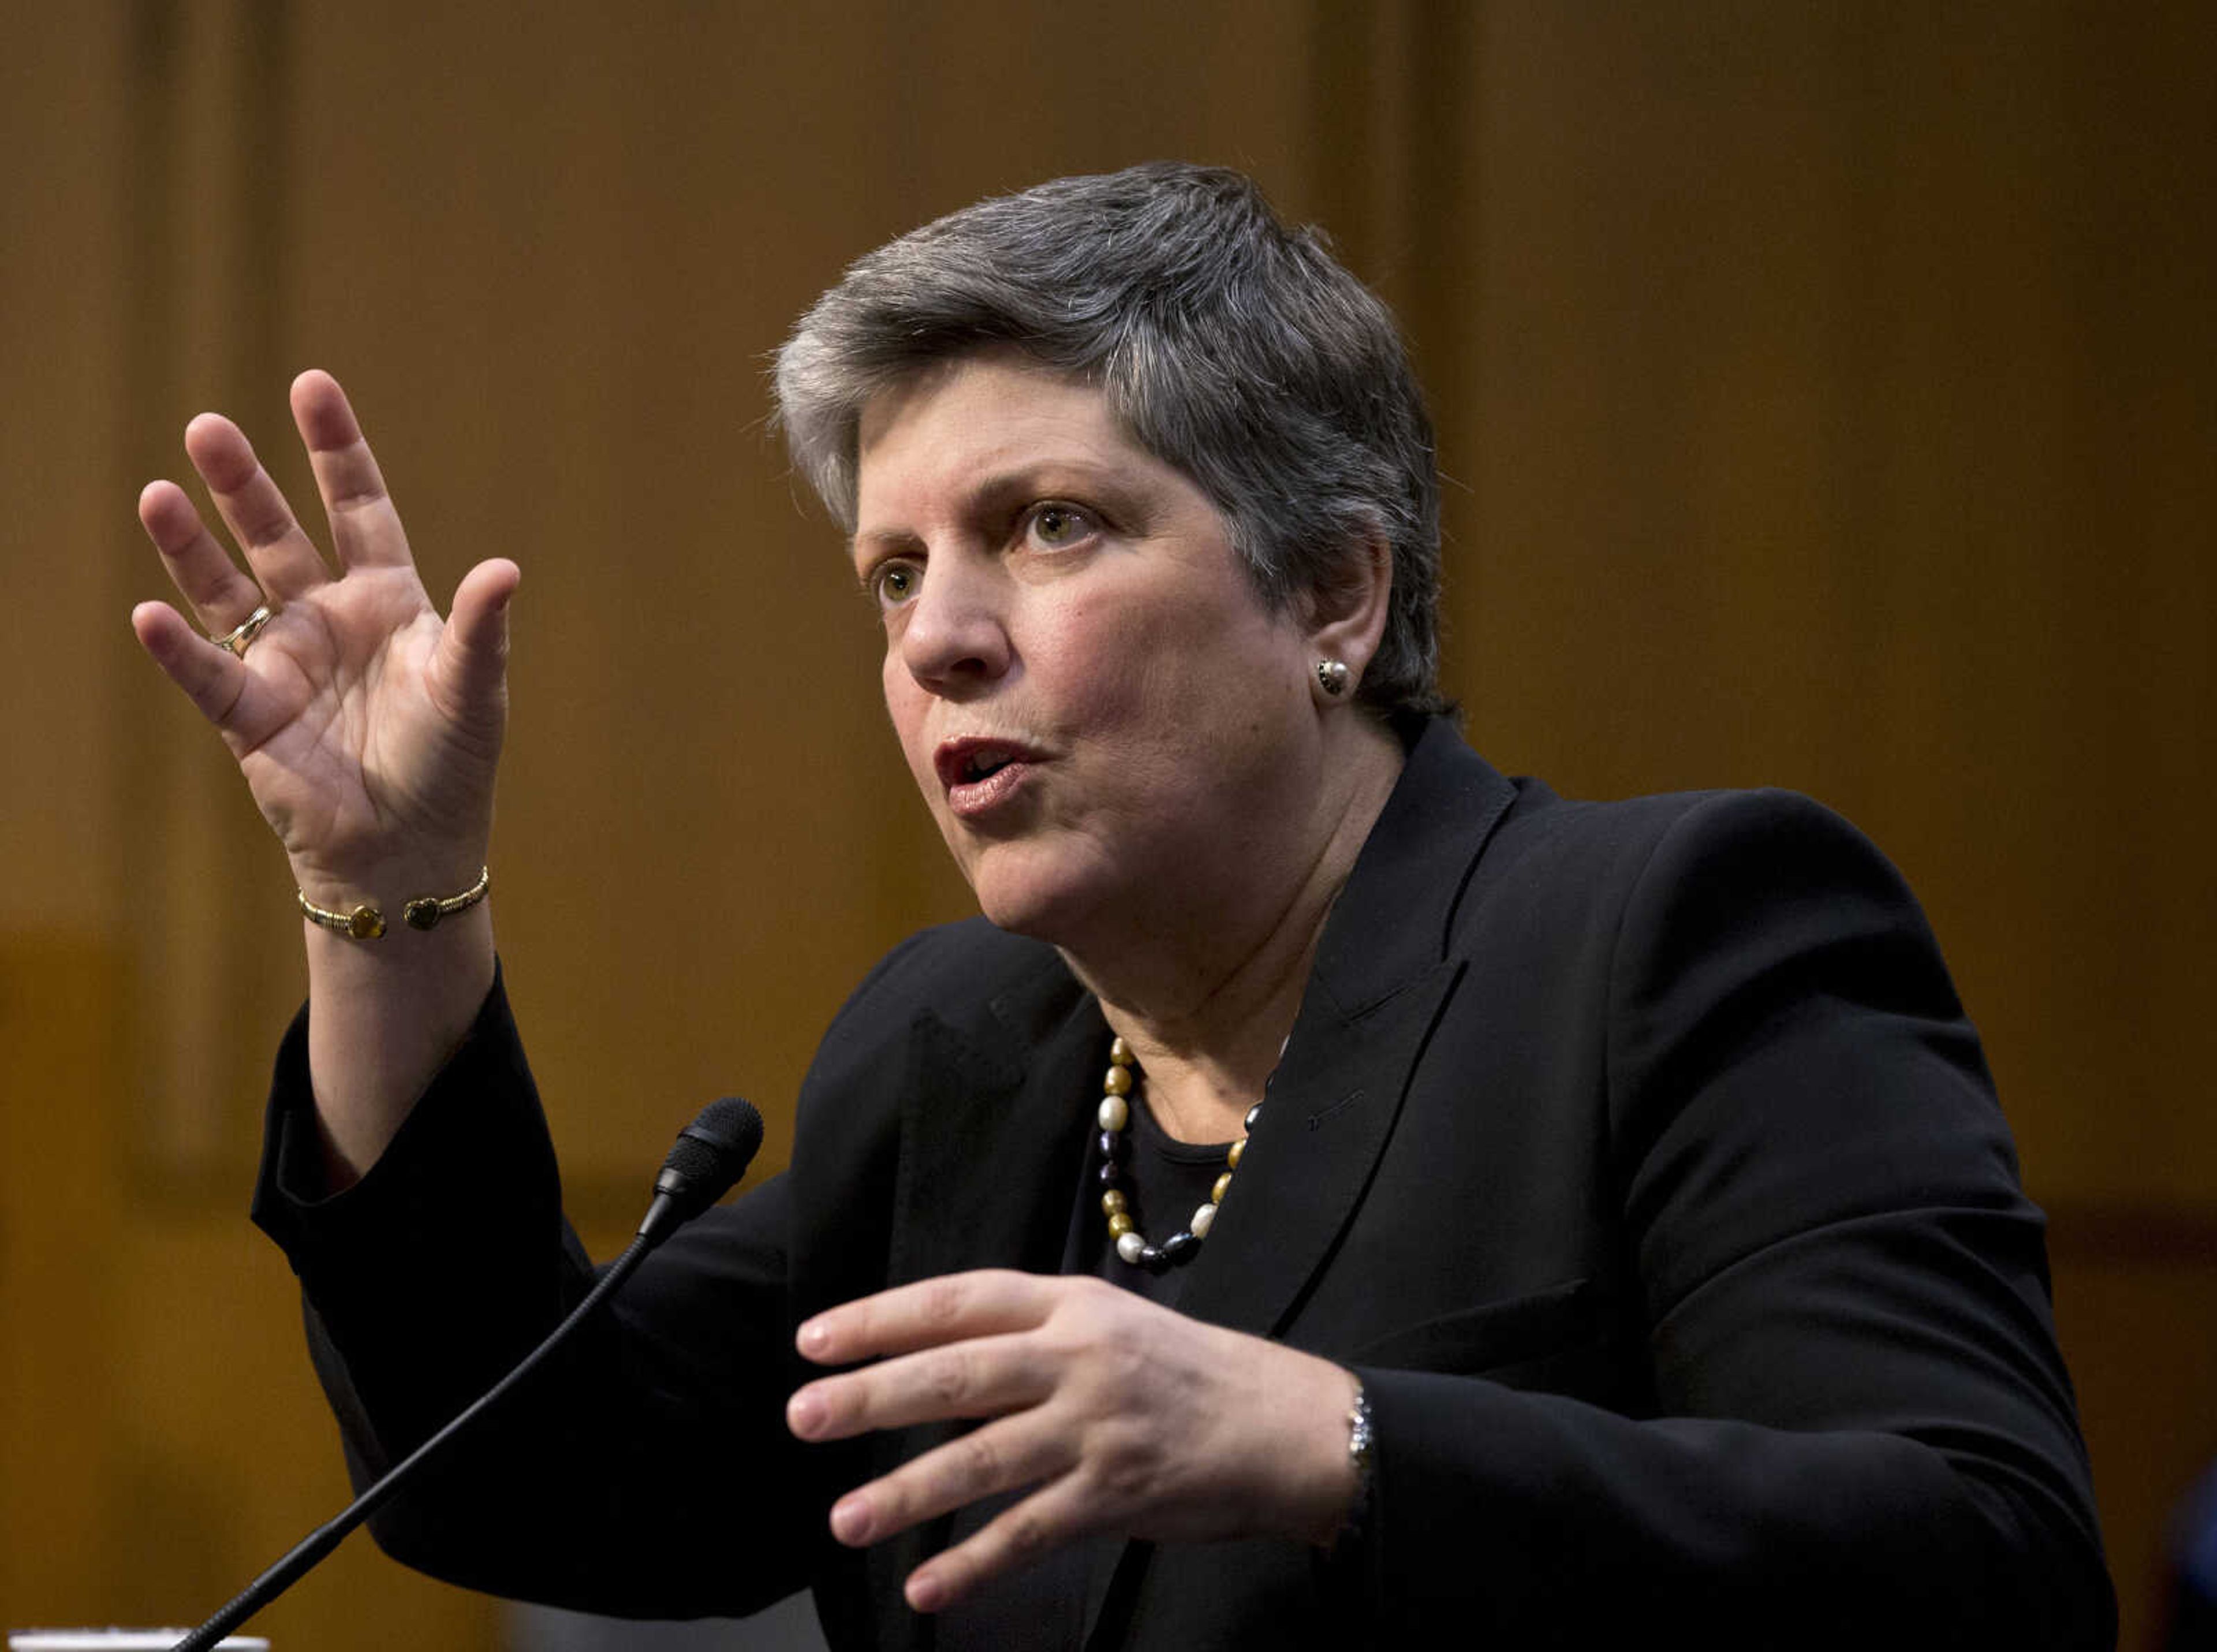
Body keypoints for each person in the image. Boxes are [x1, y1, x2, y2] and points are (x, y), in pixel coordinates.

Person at [131, 163, 2114, 1647]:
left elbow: (1982, 1559)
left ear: (1334, 591)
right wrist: (384, 899)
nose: (941, 644)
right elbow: (527, 1468)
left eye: (1047, 527)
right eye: (893, 576)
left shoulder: (1671, 944)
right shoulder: (959, 1058)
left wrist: (1332, 1447)